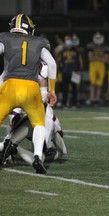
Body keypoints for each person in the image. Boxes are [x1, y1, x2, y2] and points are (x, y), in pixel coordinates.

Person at [0, 14, 57, 174]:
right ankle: (38, 155)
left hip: (9, 86)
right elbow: (51, 63)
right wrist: (52, 89)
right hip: (31, 88)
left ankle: (6, 150)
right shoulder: (39, 41)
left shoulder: (5, 38)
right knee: (39, 123)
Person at [58, 35, 83, 108]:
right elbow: (60, 61)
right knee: (64, 88)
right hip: (65, 72)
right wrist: (61, 70)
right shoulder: (62, 50)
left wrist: (79, 70)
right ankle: (64, 102)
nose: (67, 41)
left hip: (74, 72)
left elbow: (79, 61)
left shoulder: (76, 50)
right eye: (66, 39)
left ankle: (74, 103)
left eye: (68, 39)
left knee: (74, 89)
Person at [86, 32, 109, 105]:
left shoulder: (105, 48)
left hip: (101, 66)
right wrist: (100, 58)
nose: (98, 39)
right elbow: (90, 58)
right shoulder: (91, 46)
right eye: (97, 38)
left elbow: (106, 59)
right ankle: (92, 98)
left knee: (99, 83)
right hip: (93, 66)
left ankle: (97, 98)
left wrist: (96, 58)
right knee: (93, 83)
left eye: (99, 38)